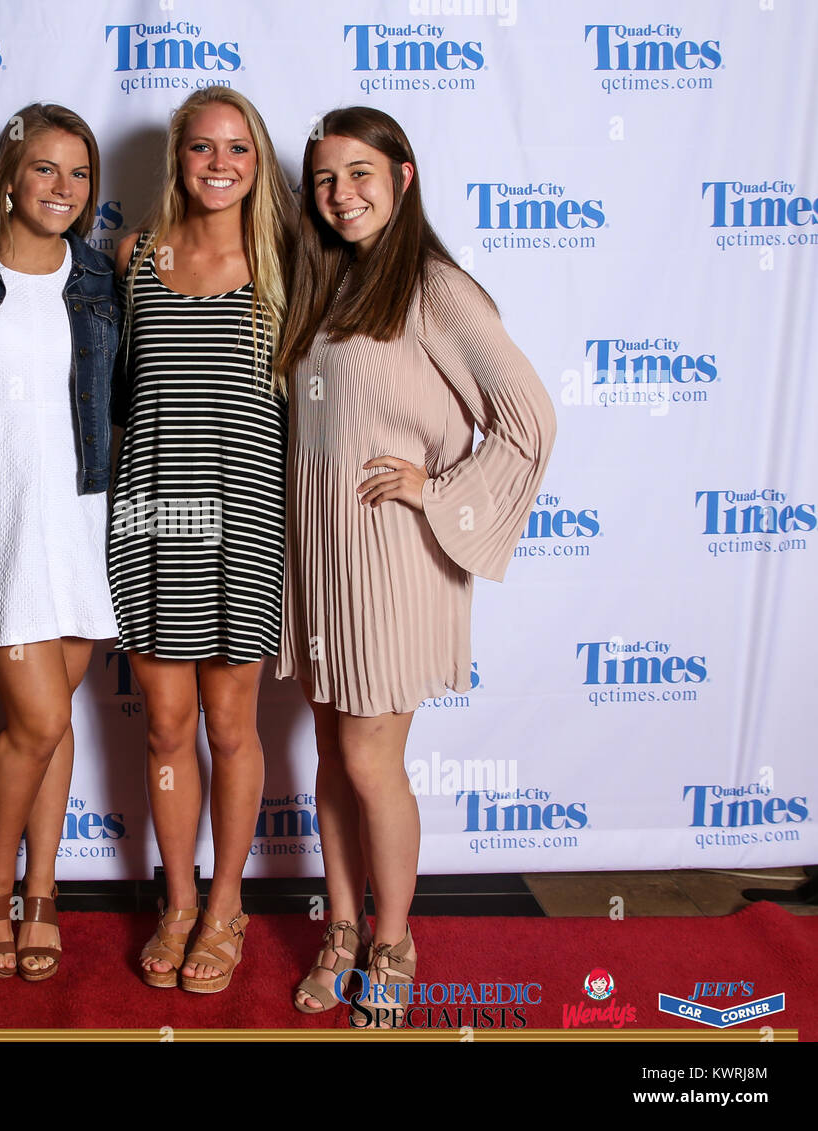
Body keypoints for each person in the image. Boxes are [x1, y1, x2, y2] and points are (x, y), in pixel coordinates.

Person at [275, 107, 555, 1018]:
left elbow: (530, 418)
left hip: (391, 556)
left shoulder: (436, 288)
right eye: (324, 179)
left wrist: (439, 490)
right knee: (329, 754)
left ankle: (393, 943)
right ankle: (343, 928)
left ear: (402, 176)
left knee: (368, 761)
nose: (340, 194)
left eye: (359, 173)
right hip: (318, 553)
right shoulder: (324, 288)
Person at [0, 103, 120, 981]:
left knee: (51, 720)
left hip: (80, 515)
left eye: (78, 174)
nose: (63, 189)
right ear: (8, 174)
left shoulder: (101, 280)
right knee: (37, 718)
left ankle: (45, 889)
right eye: (46, 168)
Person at [110, 88, 294, 993]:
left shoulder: (286, 259)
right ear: (178, 156)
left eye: (238, 150)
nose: (219, 165)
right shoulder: (135, 255)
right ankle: (177, 900)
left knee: (231, 726)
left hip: (248, 525)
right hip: (149, 521)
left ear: (257, 163)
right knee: (166, 728)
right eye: (202, 148)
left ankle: (227, 904)